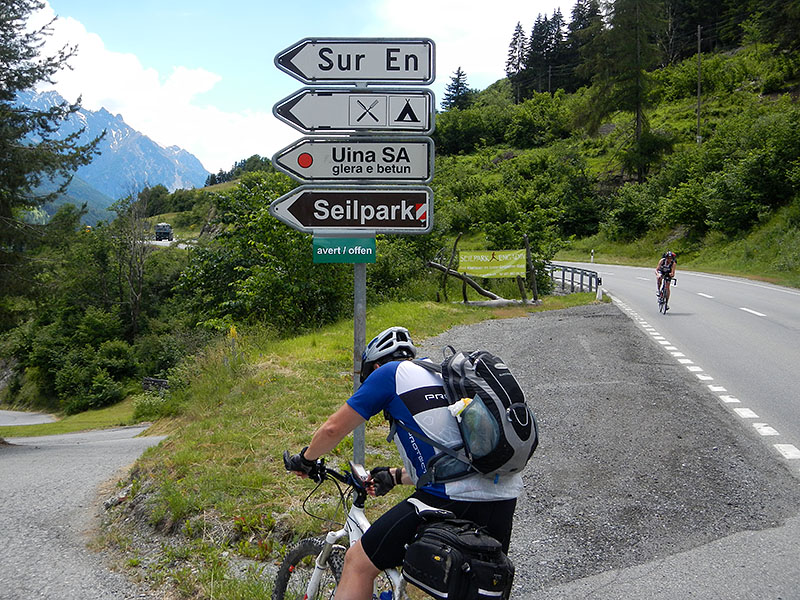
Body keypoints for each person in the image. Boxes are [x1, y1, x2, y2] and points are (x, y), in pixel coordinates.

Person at [285, 326, 522, 600]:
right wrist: (395, 476)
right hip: (503, 496)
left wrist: (305, 460)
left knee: (358, 563)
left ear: (374, 366)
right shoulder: (442, 375)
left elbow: (332, 430)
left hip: (450, 498)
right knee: (473, 581)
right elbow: (452, 457)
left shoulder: (388, 374)